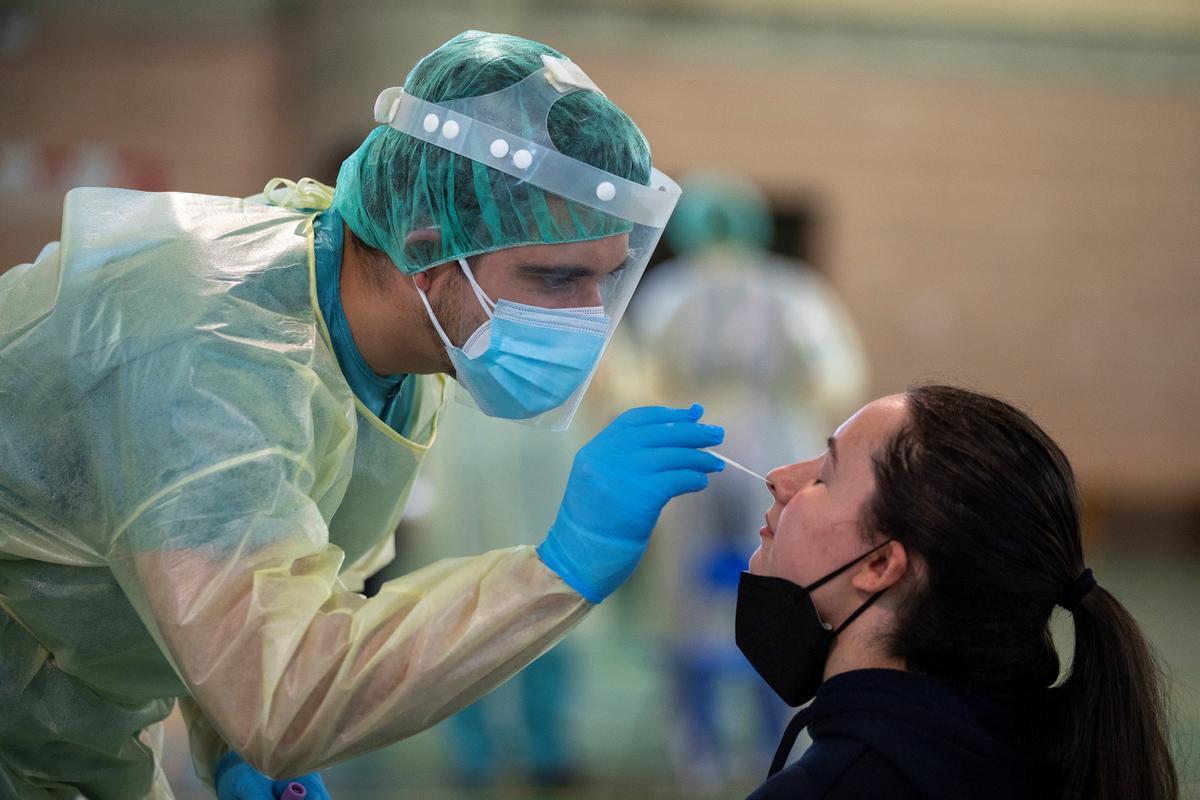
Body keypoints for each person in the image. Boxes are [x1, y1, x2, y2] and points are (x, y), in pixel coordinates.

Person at [0, 31, 727, 799]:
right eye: (553, 278)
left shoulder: (395, 347)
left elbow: (254, 580)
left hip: (69, 729)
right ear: (426, 247)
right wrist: (558, 570)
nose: (588, 321)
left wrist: (232, 743)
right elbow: (281, 697)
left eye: (606, 283)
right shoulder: (209, 349)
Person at [736, 384, 1178, 800]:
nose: (778, 478)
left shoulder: (833, 787)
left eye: (824, 476)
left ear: (880, 565)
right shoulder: (1041, 755)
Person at [630, 173, 867, 789]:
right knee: (782, 584)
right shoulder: (792, 291)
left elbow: (639, 379)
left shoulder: (669, 291)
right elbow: (837, 376)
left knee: (689, 597)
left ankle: (697, 749)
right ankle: (778, 742)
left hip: (693, 441)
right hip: (773, 446)